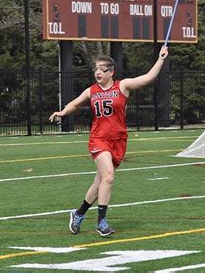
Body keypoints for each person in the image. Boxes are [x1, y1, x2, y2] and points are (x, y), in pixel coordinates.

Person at [49, 46, 168, 236]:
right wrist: (63, 112)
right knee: (109, 176)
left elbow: (147, 78)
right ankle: (101, 222)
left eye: (102, 69)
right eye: (95, 68)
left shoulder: (122, 86)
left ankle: (78, 213)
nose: (97, 72)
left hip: (118, 140)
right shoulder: (92, 91)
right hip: (99, 139)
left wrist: (161, 59)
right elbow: (75, 103)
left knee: (100, 183)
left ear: (111, 71)